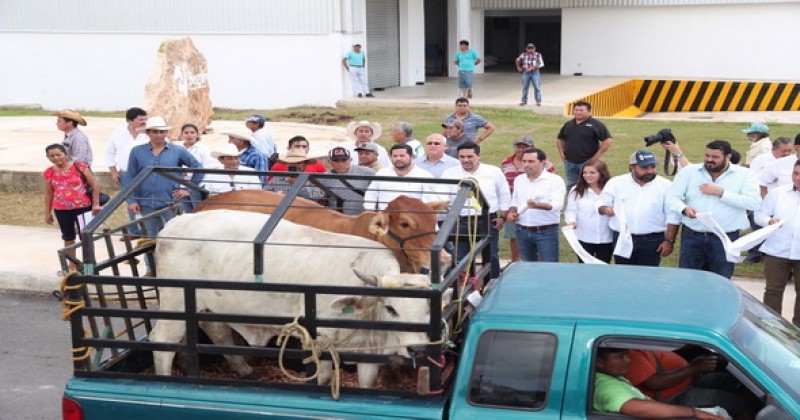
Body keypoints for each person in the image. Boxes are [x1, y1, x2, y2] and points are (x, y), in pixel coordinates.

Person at [666, 140, 761, 279]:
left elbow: (754, 203)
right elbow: (672, 198)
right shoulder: (689, 172)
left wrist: (722, 193)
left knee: (721, 281)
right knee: (688, 280)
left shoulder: (745, 175)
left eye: (715, 157)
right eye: (707, 155)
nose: (709, 160)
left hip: (724, 237)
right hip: (692, 236)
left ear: (728, 157)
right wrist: (684, 209)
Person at [123, 116, 203, 275]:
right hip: (146, 202)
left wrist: (189, 188)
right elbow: (130, 176)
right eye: (155, 131)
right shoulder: (137, 152)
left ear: (166, 132)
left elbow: (197, 167)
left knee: (175, 237)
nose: (159, 135)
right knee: (149, 238)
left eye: (162, 131)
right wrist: (131, 200)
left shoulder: (177, 150)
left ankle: (176, 270)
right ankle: (151, 269)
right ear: (148, 133)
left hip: (171, 201)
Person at [593, 347, 726, 419]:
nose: (628, 360)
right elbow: (637, 407)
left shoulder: (609, 377)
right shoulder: (607, 386)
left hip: (677, 394)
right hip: (671, 400)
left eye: (626, 355)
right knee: (732, 403)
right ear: (599, 362)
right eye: (621, 357)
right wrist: (694, 412)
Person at [598, 150, 680, 266]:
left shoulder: (666, 185)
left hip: (652, 240)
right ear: (631, 167)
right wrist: (605, 209)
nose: (650, 171)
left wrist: (669, 241)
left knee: (648, 277)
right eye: (644, 168)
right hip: (622, 238)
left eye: (653, 167)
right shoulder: (616, 183)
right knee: (624, 274)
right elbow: (602, 202)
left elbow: (673, 215)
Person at [441, 142, 510, 279]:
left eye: (470, 156)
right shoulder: (449, 173)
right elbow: (443, 196)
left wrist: (503, 217)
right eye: (462, 157)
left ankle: (493, 285)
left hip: (487, 220)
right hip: (461, 221)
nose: (465, 160)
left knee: (491, 255)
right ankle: (461, 291)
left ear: (478, 156)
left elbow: (504, 193)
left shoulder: (493, 171)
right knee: (460, 257)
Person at [625, 349, 747, 418]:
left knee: (731, 380)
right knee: (737, 404)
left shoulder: (642, 344)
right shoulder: (632, 355)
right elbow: (654, 382)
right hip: (676, 396)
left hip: (688, 381)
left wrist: (693, 368)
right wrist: (692, 369)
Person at [43, 143, 102, 273]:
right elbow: (49, 193)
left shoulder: (79, 166)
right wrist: (47, 212)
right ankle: (72, 267)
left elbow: (95, 185)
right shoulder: (49, 172)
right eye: (52, 156)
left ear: (65, 154)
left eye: (59, 154)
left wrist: (96, 204)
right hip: (61, 210)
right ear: (48, 157)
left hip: (83, 208)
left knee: (86, 237)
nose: (56, 158)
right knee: (68, 238)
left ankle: (89, 267)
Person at [755, 159, 800, 327]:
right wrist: (769, 220)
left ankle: (797, 331)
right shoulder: (778, 193)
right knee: (773, 291)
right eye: (795, 174)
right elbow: (759, 215)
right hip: (777, 251)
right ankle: (771, 328)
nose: (797, 178)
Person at [500, 136, 556, 262]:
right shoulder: (506, 162)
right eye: (518, 146)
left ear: (532, 147)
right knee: (513, 235)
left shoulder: (544, 163)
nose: (520, 149)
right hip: (514, 202)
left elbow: (551, 181)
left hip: (535, 203)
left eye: (524, 147)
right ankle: (516, 261)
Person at [506, 148, 566, 262]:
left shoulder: (555, 180)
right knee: (528, 267)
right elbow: (515, 201)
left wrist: (537, 205)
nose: (526, 165)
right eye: (524, 161)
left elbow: (557, 205)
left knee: (549, 267)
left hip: (546, 232)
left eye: (531, 161)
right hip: (522, 231)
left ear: (543, 163)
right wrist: (512, 212)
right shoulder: (519, 179)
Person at [104, 107, 148, 239]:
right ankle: (135, 231)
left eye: (145, 119)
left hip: (146, 173)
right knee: (130, 201)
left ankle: (149, 229)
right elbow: (109, 152)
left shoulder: (149, 132)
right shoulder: (118, 133)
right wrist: (113, 171)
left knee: (147, 201)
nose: (144, 122)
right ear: (130, 121)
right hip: (126, 173)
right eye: (141, 119)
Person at [556, 100, 613, 190]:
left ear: (589, 111)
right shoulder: (569, 124)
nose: (578, 112)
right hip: (569, 162)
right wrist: (562, 154)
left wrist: (596, 157)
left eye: (581, 110)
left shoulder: (596, 125)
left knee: (589, 184)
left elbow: (607, 140)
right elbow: (560, 139)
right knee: (571, 185)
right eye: (576, 110)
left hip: (587, 162)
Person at [565, 160, 614, 263]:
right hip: (584, 236)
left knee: (604, 267)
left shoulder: (611, 190)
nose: (587, 175)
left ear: (601, 173)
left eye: (592, 173)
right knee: (585, 268)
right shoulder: (577, 190)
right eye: (585, 173)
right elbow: (571, 210)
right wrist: (571, 221)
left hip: (606, 237)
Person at [364, 144, 437, 211]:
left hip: (413, 220)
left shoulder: (425, 176)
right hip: (385, 220)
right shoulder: (382, 173)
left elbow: (429, 201)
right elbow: (371, 193)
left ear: (411, 157)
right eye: (395, 156)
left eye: (402, 156)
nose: (398, 158)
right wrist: (369, 210)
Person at [317, 146, 374, 215]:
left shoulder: (367, 173)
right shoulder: (324, 178)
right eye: (336, 161)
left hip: (363, 218)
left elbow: (378, 194)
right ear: (329, 162)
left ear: (350, 160)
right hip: (339, 219)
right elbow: (321, 201)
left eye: (344, 160)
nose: (340, 164)